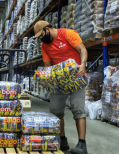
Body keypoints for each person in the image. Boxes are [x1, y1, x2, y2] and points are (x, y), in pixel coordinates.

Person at [34, 20, 88, 154]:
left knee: (78, 110)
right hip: (59, 82)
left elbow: (83, 49)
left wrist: (83, 65)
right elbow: (48, 67)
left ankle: (82, 144)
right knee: (55, 112)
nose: (41, 39)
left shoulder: (67, 34)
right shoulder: (44, 46)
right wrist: (46, 80)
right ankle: (62, 140)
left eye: (41, 35)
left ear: (47, 29)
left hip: (77, 78)